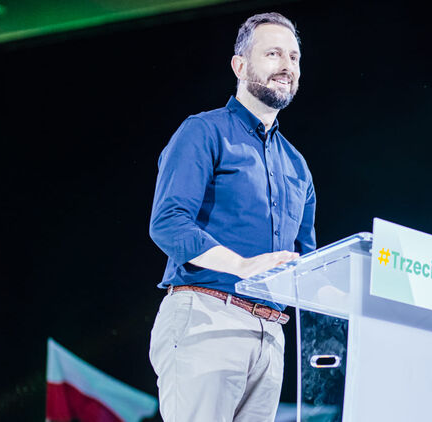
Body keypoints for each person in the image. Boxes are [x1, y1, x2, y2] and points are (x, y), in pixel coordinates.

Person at [147, 12, 315, 422]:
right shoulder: (203, 132)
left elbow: (308, 263)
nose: (287, 66)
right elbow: (168, 222)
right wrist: (240, 266)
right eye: (273, 54)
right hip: (208, 316)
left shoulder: (297, 165)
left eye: (293, 57)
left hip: (271, 336)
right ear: (240, 66)